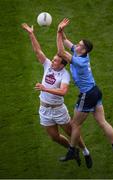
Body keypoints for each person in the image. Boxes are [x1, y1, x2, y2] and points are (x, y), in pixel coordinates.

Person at [21, 23, 93, 168]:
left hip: (58, 109)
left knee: (72, 132)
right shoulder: (47, 65)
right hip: (44, 109)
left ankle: (85, 151)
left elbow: (63, 92)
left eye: (55, 60)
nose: (52, 61)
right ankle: (72, 152)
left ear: (62, 64)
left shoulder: (65, 75)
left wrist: (45, 89)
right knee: (54, 137)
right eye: (53, 59)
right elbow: (38, 51)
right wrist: (31, 33)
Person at [57, 18, 113, 167]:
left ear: (84, 50)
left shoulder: (79, 61)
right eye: (78, 44)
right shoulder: (80, 54)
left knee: (75, 124)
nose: (76, 45)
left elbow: (61, 51)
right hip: (95, 91)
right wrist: (62, 31)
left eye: (79, 45)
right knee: (102, 121)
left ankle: (72, 150)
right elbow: (66, 41)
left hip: (87, 94)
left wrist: (57, 32)